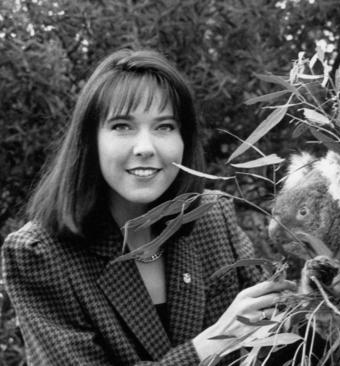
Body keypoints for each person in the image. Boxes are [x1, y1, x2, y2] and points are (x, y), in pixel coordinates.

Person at [1, 48, 296, 365]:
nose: (145, 147)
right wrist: (208, 345)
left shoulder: (212, 218)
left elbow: (285, 341)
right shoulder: (39, 254)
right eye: (122, 126)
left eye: (164, 126)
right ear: (90, 140)